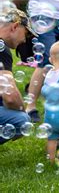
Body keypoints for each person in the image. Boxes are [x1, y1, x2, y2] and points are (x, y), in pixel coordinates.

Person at [0, 9, 37, 145]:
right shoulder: (2, 48)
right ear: (15, 26)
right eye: (25, 34)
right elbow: (10, 98)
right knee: (22, 121)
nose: (23, 40)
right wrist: (24, 110)